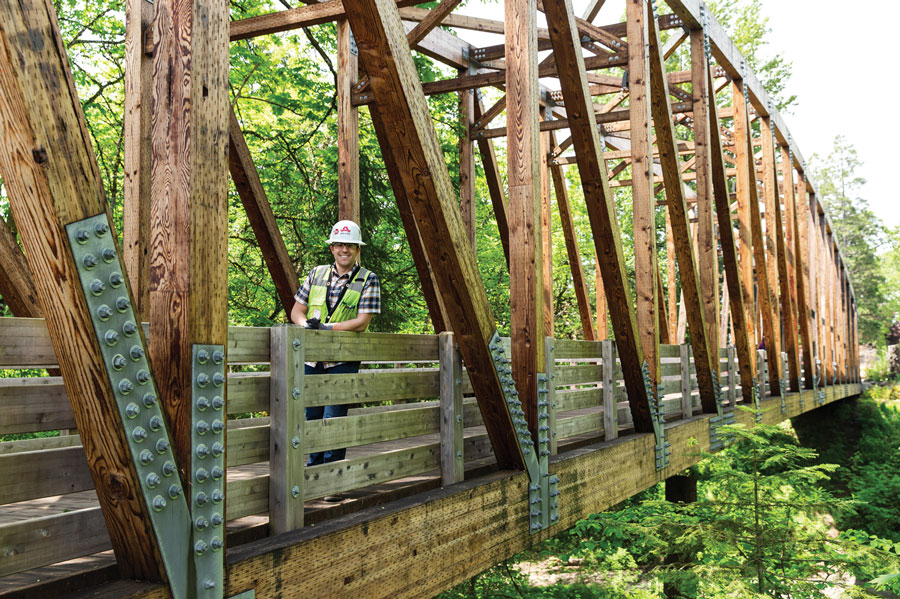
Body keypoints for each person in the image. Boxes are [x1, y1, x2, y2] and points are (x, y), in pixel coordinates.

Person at [290, 220, 380, 474]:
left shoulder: (368, 279)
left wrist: (328, 329)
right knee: (311, 418)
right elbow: (297, 310)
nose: (344, 250)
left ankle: (332, 477)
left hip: (343, 359)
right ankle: (313, 471)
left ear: (357, 250)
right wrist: (307, 325)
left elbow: (362, 322)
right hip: (313, 359)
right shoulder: (316, 274)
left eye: (350, 245)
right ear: (332, 248)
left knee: (334, 418)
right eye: (340, 244)